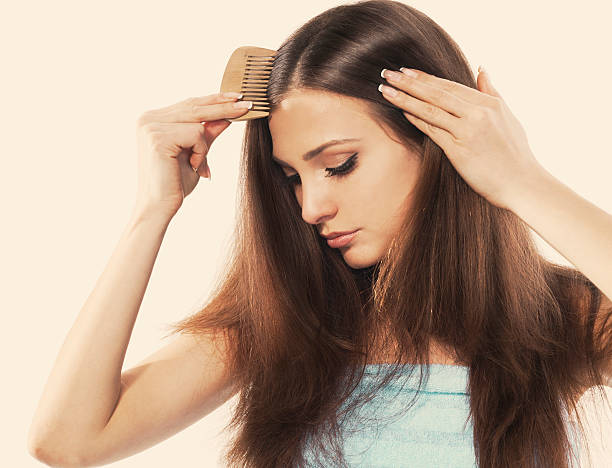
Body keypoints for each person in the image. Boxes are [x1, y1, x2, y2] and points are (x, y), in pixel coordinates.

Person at [28, 1, 612, 467]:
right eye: (292, 178)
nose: (311, 207)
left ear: (436, 143)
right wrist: (151, 211)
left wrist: (522, 181)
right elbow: (70, 442)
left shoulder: (560, 319)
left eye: (338, 164)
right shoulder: (286, 320)